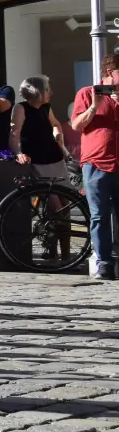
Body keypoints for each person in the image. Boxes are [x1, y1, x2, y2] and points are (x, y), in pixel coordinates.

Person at [70, 53, 119, 279]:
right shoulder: (87, 93)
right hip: (96, 162)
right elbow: (76, 125)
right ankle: (104, 264)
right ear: (111, 72)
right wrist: (94, 106)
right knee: (99, 215)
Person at [12, 75, 69, 180]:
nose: (50, 93)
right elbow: (14, 135)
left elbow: (56, 124)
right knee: (51, 194)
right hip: (36, 158)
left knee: (66, 192)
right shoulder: (20, 108)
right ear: (36, 91)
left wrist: (59, 141)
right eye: (47, 90)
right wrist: (19, 154)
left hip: (54, 155)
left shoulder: (46, 107)